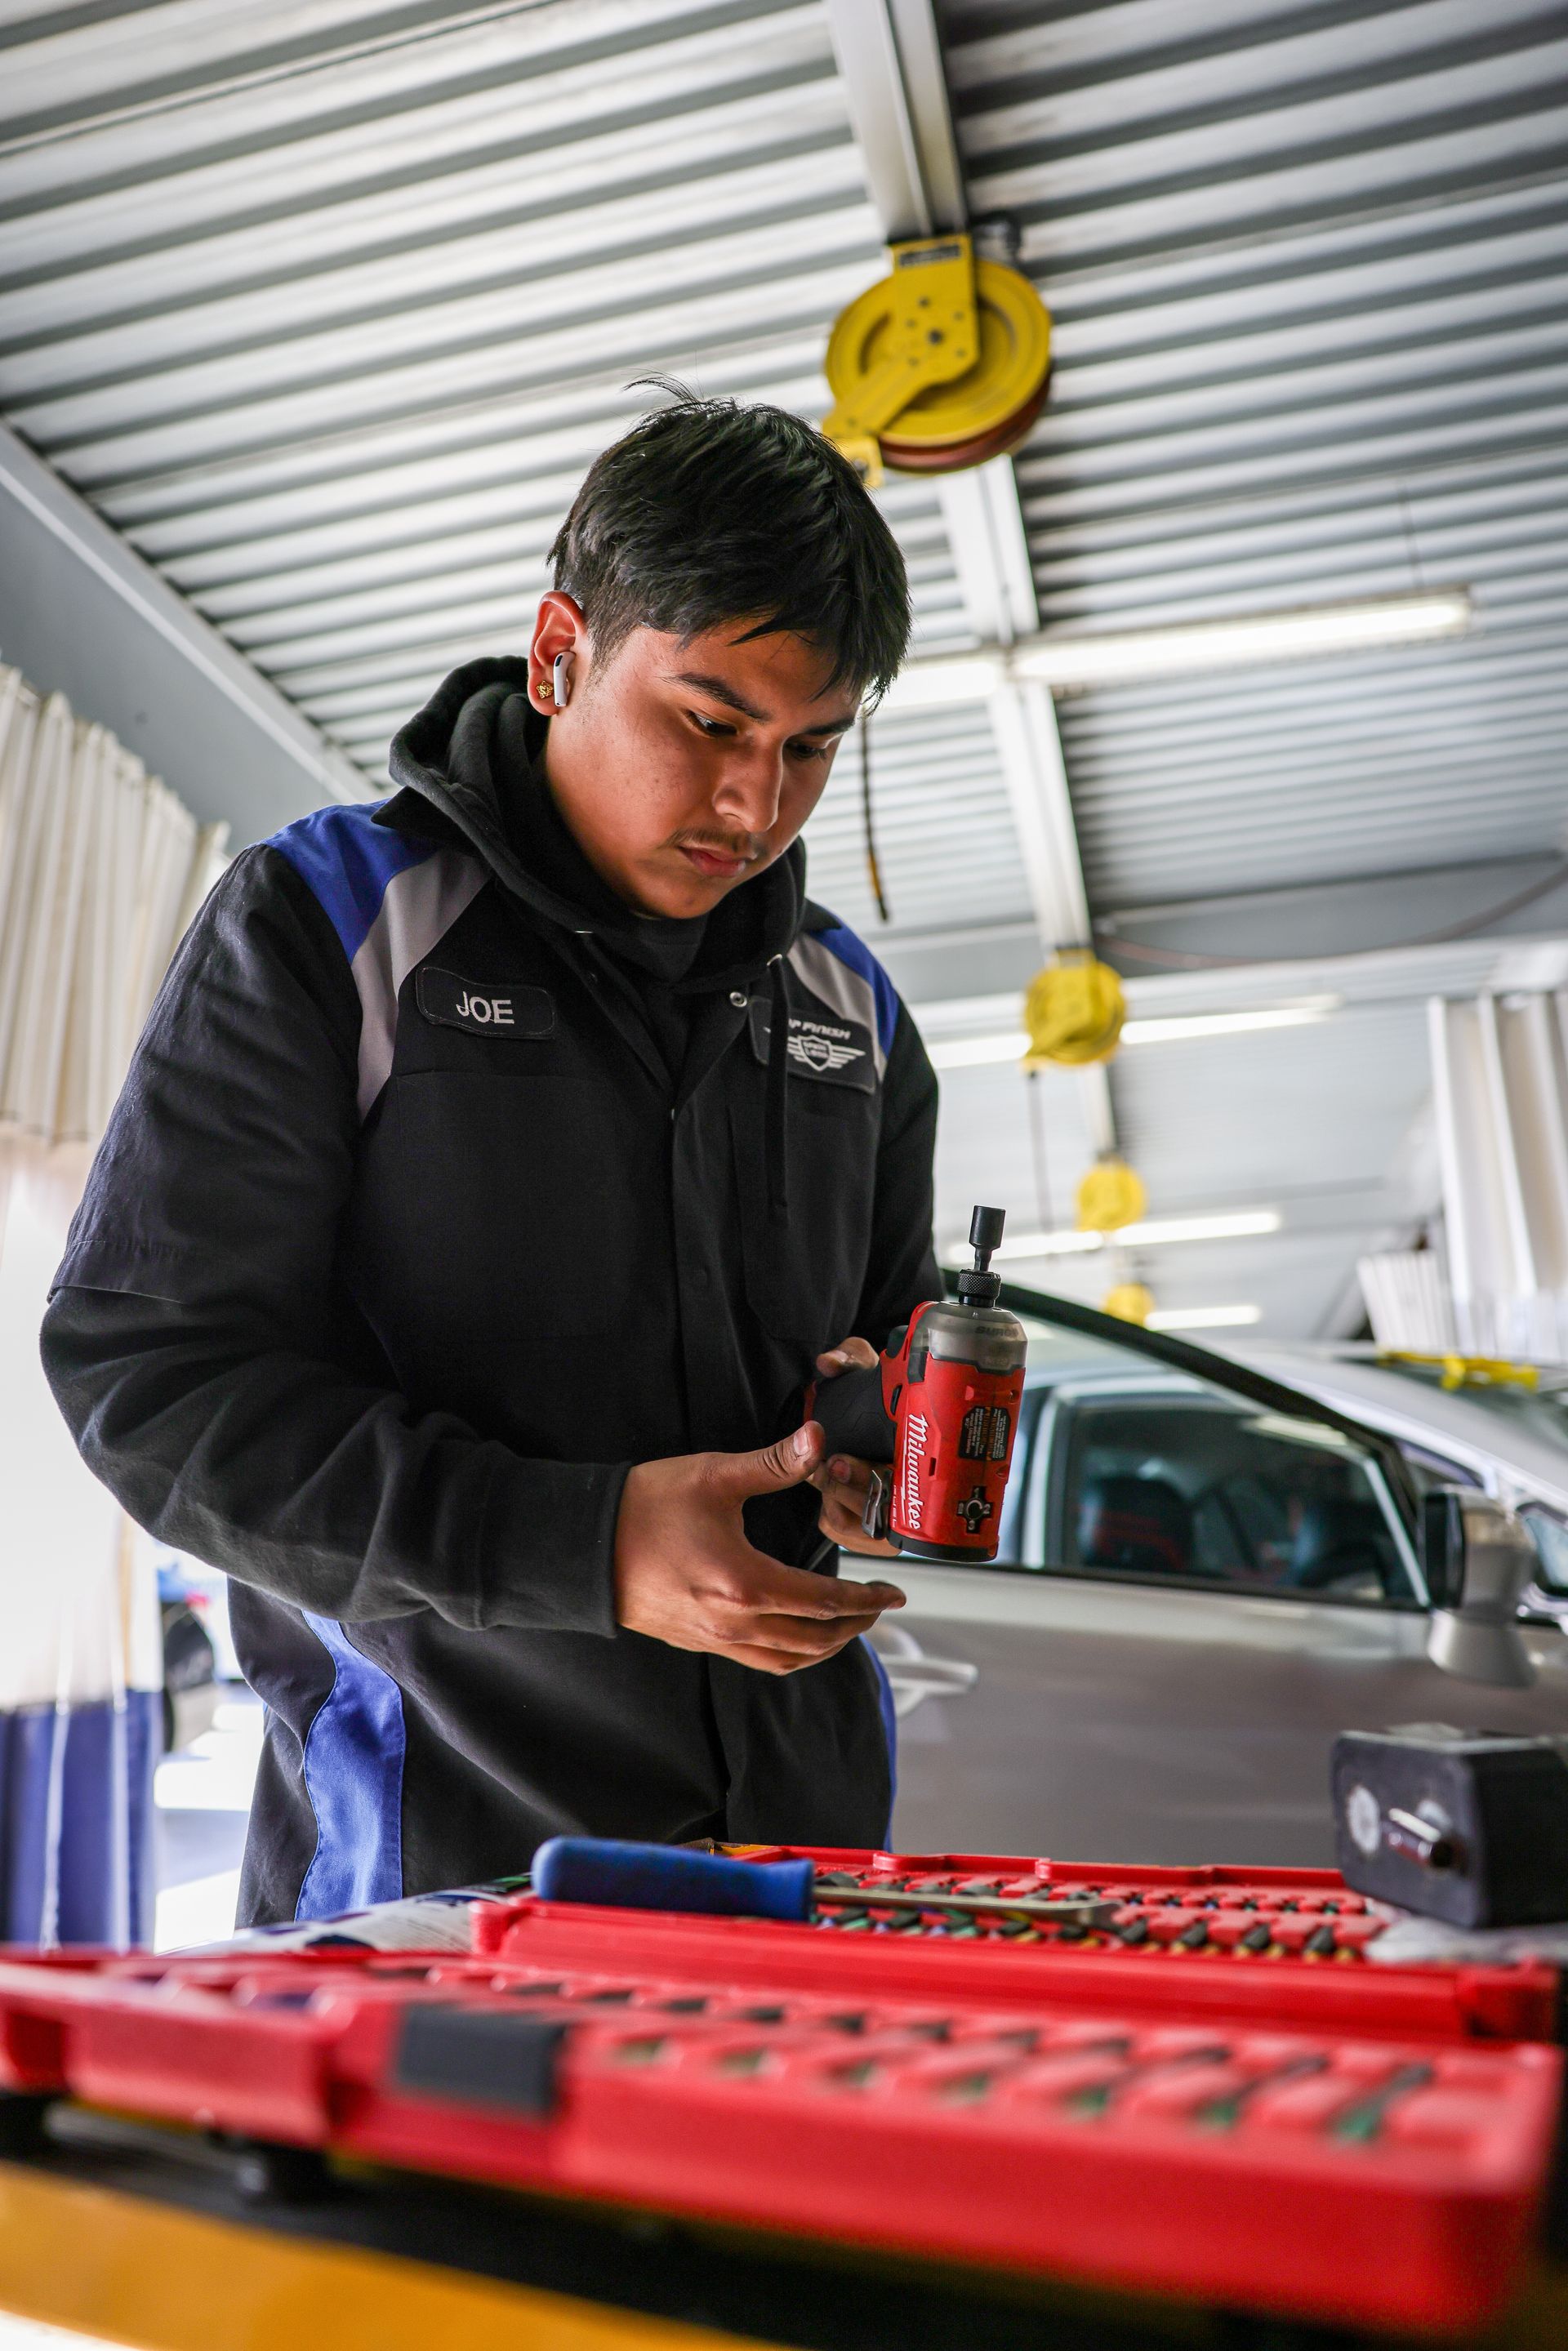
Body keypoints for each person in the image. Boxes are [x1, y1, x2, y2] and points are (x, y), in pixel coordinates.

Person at [40, 390, 942, 1926]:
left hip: (808, 1861)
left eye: (812, 748)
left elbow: (899, 1336)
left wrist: (884, 1446)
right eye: (711, 721)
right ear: (557, 651)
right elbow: (153, 1384)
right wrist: (586, 1550)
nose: (754, 805)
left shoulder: (847, 1011)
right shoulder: (332, 926)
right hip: (441, 1873)